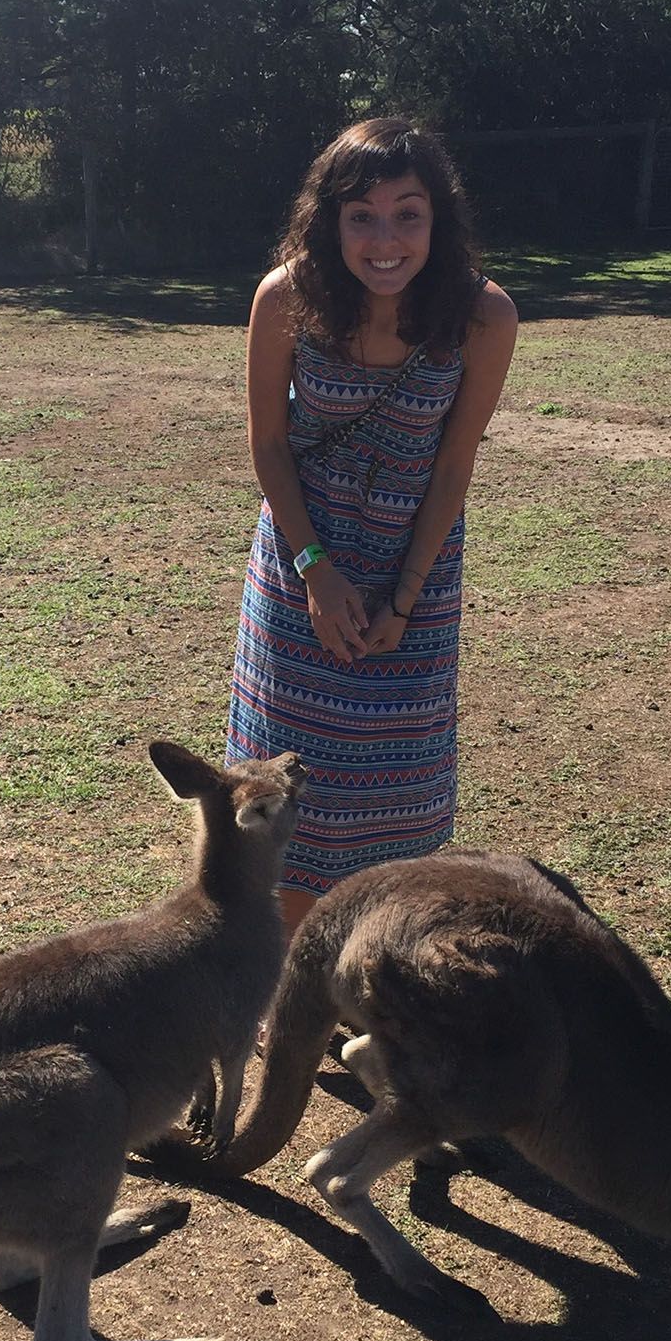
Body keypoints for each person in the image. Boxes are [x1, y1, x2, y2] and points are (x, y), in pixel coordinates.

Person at [227, 117, 518, 943]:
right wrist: (315, 570)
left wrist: (406, 596)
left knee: (397, 787)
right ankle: (285, 986)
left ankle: (366, 974)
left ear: (439, 219)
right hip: (300, 556)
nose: (384, 239)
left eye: (407, 214)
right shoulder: (284, 296)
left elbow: (454, 466)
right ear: (330, 220)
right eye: (361, 215)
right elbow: (269, 444)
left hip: (411, 563)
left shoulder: (482, 317)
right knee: (288, 787)